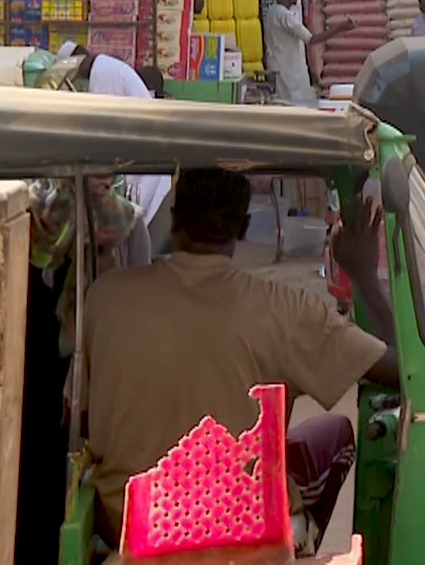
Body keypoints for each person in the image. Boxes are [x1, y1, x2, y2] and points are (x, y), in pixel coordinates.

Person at [81, 168, 398, 550]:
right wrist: (363, 274)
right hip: (240, 528)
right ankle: (303, 542)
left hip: (130, 522)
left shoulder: (105, 298)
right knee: (334, 434)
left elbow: (83, 417)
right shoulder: (287, 309)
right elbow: (400, 374)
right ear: (244, 226)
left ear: (175, 216)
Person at [264, 0, 354, 106]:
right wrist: (340, 28)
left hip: (282, 67)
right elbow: (311, 39)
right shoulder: (284, 16)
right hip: (289, 72)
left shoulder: (272, 12)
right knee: (294, 104)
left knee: (284, 103)